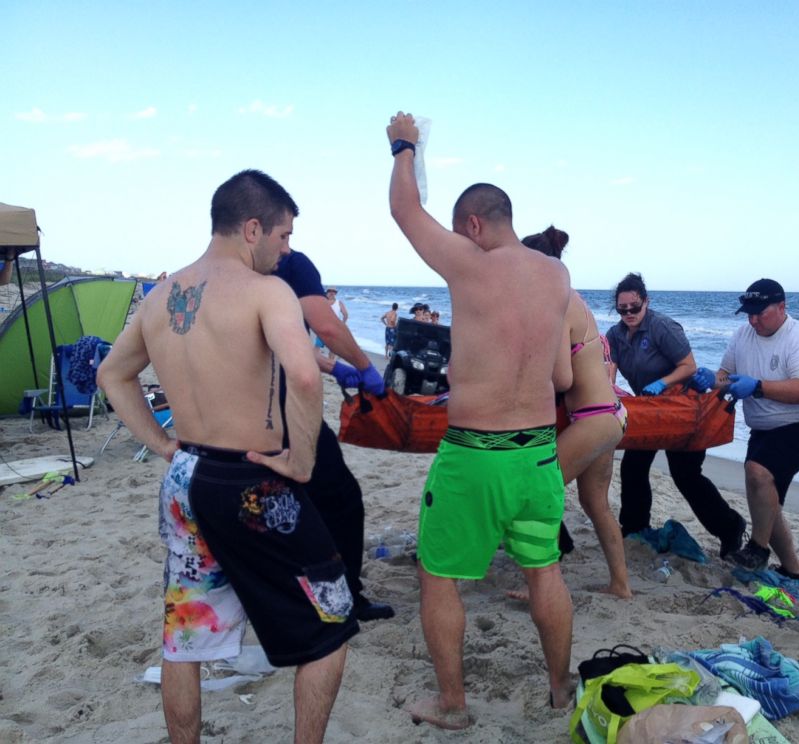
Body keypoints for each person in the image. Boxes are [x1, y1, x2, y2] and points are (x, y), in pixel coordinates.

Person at [96, 170, 355, 744]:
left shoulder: (160, 297)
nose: (287, 250)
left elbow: (112, 374)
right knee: (332, 623)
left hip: (187, 478)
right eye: (284, 236)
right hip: (252, 481)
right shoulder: (267, 292)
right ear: (253, 228)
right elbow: (306, 379)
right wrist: (300, 462)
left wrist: (163, 445)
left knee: (185, 635)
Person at [388, 111, 574, 729]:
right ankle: (557, 693)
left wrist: (404, 145)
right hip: (540, 454)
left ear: (472, 225)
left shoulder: (471, 264)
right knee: (544, 572)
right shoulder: (557, 274)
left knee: (439, 578)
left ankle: (452, 706)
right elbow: (561, 376)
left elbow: (404, 212)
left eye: (460, 232)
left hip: (475, 454)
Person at [275, 249, 393, 623]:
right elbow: (325, 327)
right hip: (285, 409)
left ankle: (295, 593)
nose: (285, 243)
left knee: (289, 503)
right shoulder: (291, 264)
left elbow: (281, 339)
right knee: (341, 499)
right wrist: (363, 365)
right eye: (285, 232)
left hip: (237, 413)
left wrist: (332, 366)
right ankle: (344, 599)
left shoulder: (230, 278)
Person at [605, 272, 746, 559]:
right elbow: (611, 369)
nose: (629, 313)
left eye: (634, 307)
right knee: (633, 466)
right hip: (647, 409)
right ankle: (634, 527)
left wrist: (663, 383)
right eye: (622, 309)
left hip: (682, 407)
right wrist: (609, 391)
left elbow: (688, 366)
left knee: (686, 475)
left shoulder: (662, 327)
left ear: (646, 302)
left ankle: (730, 527)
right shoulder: (615, 334)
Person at [523, 225, 631, 598]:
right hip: (611, 413)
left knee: (537, 495)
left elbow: (563, 378)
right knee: (594, 503)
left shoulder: (554, 303)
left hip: (594, 418)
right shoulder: (573, 298)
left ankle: (542, 586)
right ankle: (620, 584)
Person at [716, 278, 799, 576]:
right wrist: (711, 382)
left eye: (760, 312)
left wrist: (757, 387)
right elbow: (725, 373)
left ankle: (757, 548)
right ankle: (793, 570)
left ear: (782, 307)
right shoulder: (743, 334)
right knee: (766, 500)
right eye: (749, 313)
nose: (753, 320)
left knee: (758, 473)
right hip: (763, 428)